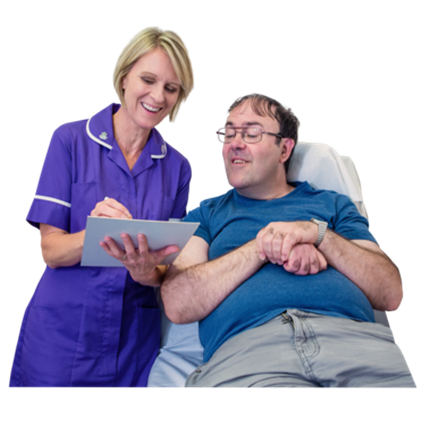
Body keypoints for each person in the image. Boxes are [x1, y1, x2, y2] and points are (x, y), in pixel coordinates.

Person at [160, 93, 417, 389]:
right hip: (250, 354)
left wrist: (318, 236)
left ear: (284, 148)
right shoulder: (204, 215)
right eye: (228, 133)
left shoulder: (334, 206)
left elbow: (390, 293)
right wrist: (264, 246)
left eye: (251, 133)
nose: (234, 143)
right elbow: (178, 303)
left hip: (357, 345)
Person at [9, 26, 195, 388]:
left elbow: (166, 269)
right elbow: (50, 250)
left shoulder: (178, 167)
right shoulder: (70, 141)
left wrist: (146, 270)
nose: (158, 96)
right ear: (124, 76)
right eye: (148, 79)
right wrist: (99, 233)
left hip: (133, 339)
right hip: (63, 332)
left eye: (171, 88)